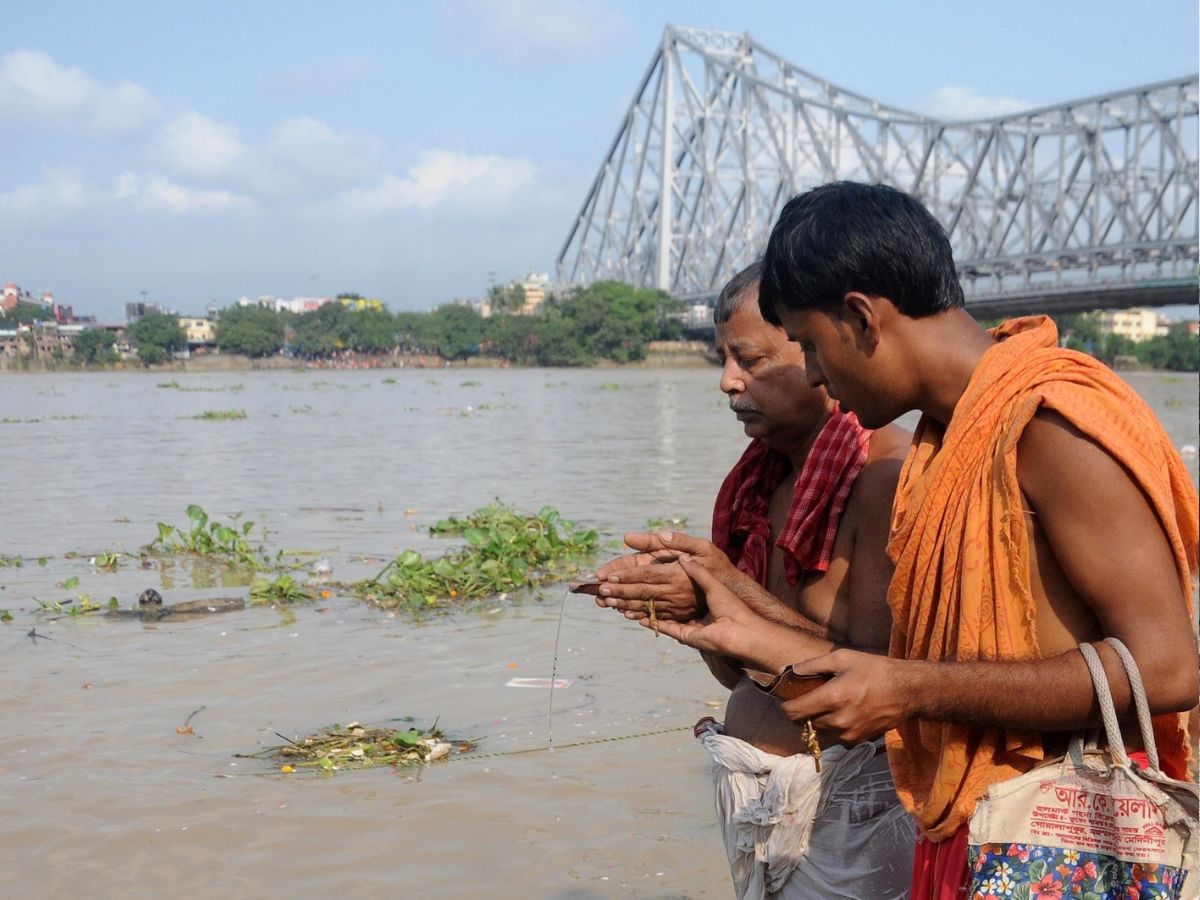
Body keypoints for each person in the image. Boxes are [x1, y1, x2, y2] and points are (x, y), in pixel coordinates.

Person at [670, 180, 1198, 898]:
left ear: (861, 319)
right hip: (969, 827)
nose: (816, 372)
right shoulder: (946, 442)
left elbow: (1166, 669)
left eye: (810, 345)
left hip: (1058, 844)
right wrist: (725, 603)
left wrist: (913, 688)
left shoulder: (1048, 423)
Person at [594, 261, 915, 899]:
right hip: (761, 804)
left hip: (860, 811)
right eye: (724, 359)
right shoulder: (757, 486)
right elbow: (741, 674)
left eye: (749, 359)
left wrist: (728, 590)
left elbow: (877, 683)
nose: (727, 382)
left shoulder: (884, 475)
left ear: (819, 349)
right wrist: (696, 610)